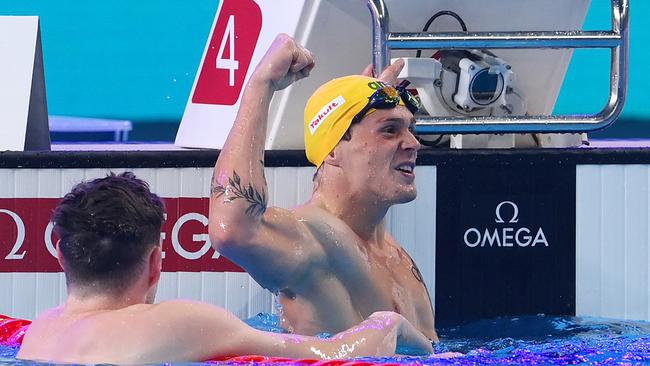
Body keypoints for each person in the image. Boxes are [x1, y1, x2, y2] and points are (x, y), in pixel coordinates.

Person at [17, 172, 432, 364]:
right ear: (156, 261)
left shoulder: (39, 333)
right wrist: (386, 324)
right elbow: (329, 355)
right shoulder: (175, 323)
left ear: (59, 251)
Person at [209, 33, 438, 341]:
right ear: (333, 151)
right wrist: (261, 85)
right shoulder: (311, 240)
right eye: (389, 131)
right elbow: (231, 228)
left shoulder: (395, 255)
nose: (413, 143)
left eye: (409, 129)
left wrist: (362, 99)